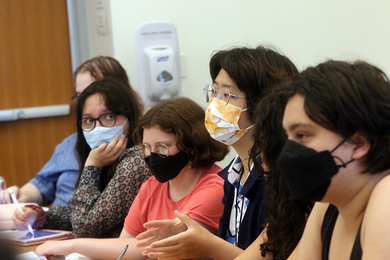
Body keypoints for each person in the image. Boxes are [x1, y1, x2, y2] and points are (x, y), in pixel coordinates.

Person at [136, 45, 299, 260]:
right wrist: (190, 239)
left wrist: (205, 244)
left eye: (225, 94)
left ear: (263, 104)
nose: (214, 104)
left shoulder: (281, 179)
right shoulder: (233, 174)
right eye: (213, 92)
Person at [34, 97, 229, 259]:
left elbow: (154, 250)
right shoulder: (152, 186)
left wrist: (71, 246)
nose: (152, 155)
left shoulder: (215, 187)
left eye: (162, 147)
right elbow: (125, 246)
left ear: (191, 145)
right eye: (146, 147)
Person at [276, 60, 390, 259]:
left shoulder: (387, 197)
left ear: (359, 143)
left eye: (302, 135)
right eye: (289, 137)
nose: (289, 151)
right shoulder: (329, 205)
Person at [13, 78, 151, 238]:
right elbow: (82, 214)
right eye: (89, 120)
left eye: (108, 116)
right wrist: (37, 216)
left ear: (130, 118)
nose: (98, 128)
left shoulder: (137, 160)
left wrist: (92, 165)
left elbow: (85, 228)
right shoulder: (105, 157)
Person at [0, 56, 143, 207]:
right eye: (80, 96)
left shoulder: (139, 154)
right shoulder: (71, 143)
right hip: (54, 225)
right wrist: (21, 196)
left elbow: (85, 221)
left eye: (93, 91)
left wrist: (93, 165)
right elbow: (43, 183)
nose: (85, 103)